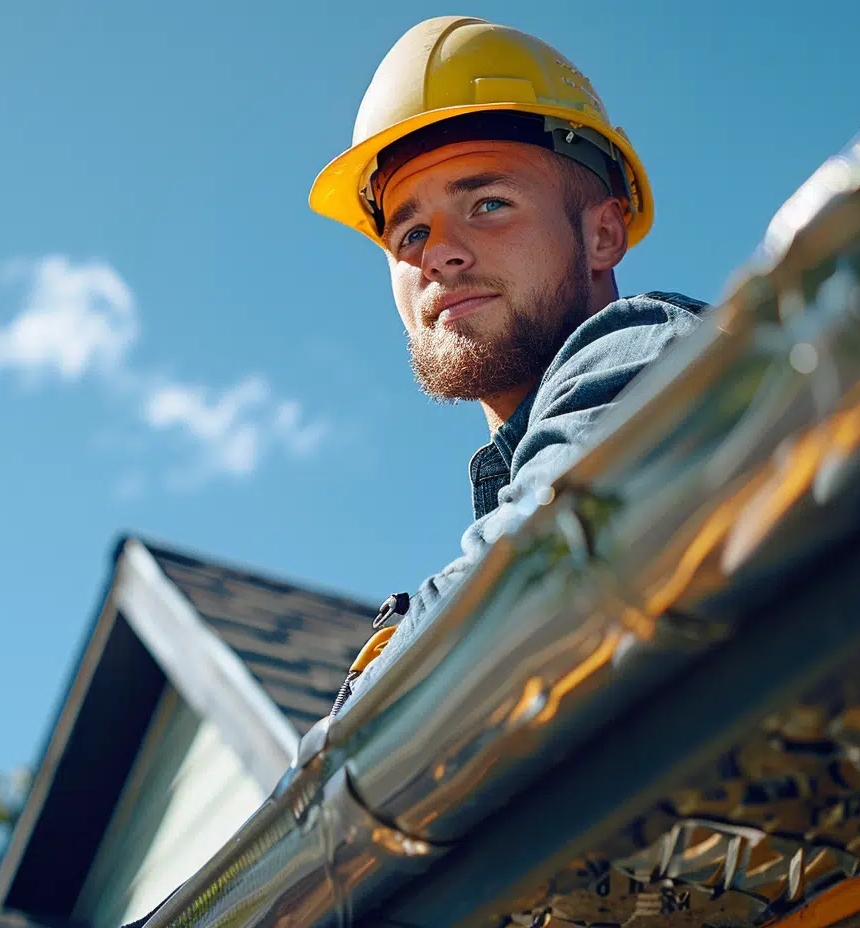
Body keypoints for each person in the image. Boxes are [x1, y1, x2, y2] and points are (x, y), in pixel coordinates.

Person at [308, 16, 707, 712]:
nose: (440, 253)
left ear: (603, 234)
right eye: (410, 232)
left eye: (488, 204)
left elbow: (529, 574)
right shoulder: (514, 485)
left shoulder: (645, 353)